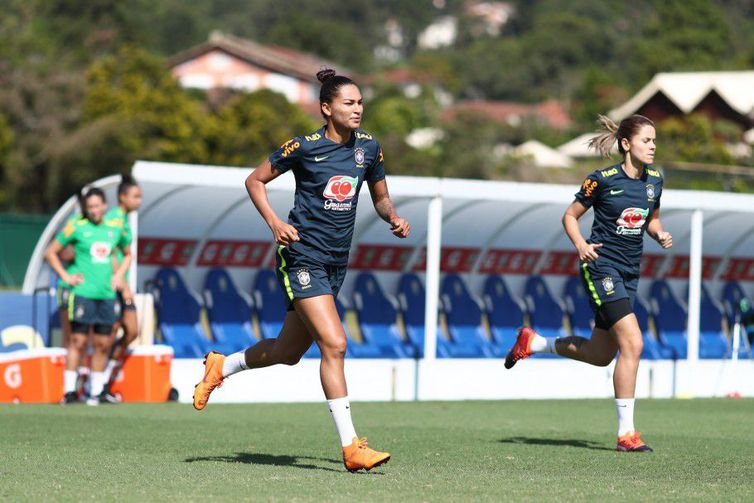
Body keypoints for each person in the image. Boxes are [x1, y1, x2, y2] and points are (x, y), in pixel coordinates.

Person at [193, 68, 410, 472]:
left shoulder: (370, 149)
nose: (358, 109)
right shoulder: (304, 147)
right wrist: (275, 222)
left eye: (361, 102)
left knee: (287, 352)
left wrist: (392, 217)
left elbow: (380, 197)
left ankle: (222, 365)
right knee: (336, 344)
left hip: (335, 263)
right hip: (302, 258)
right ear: (327, 108)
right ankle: (351, 448)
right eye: (349, 102)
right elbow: (255, 180)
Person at [504, 114, 672, 452]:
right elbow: (570, 215)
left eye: (655, 141)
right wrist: (581, 244)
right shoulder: (603, 180)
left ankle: (534, 342)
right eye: (646, 140)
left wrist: (659, 233)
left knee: (600, 355)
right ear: (626, 144)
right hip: (602, 268)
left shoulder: (655, 179)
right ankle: (627, 435)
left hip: (629, 272)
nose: (653, 146)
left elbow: (652, 219)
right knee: (633, 344)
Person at [44, 187, 132, 405]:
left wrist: (119, 275)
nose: (93, 210)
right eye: (89, 207)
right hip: (82, 294)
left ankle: (95, 391)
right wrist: (66, 275)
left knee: (103, 344)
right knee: (78, 341)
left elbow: (128, 253)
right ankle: (70, 392)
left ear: (104, 206)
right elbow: (50, 252)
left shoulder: (114, 228)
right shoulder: (77, 226)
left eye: (96, 206)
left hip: (107, 295)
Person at [102, 175, 142, 398]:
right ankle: (99, 385)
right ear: (122, 197)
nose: (139, 201)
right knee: (113, 334)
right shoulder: (115, 219)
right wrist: (122, 282)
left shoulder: (124, 219)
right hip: (114, 288)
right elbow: (109, 252)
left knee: (130, 331)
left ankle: (103, 380)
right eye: (135, 196)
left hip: (120, 287)